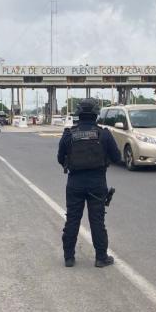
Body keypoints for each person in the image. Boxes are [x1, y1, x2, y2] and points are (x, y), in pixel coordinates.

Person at [57, 98, 121, 268]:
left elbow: (59, 158)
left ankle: (69, 258)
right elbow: (117, 157)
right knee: (97, 221)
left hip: (75, 182)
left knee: (72, 220)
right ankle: (101, 258)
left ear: (78, 114)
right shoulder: (104, 134)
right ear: (96, 114)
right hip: (97, 182)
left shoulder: (69, 134)